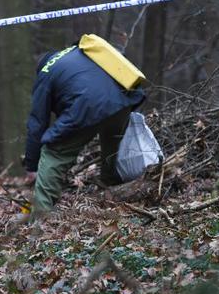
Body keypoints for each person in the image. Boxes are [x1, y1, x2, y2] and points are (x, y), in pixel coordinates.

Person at [23, 42, 145, 211]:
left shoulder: (45, 73)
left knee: (53, 154)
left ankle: (41, 217)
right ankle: (112, 190)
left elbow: (37, 123)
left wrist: (32, 165)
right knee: (112, 145)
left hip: (86, 107)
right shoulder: (80, 50)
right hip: (121, 101)